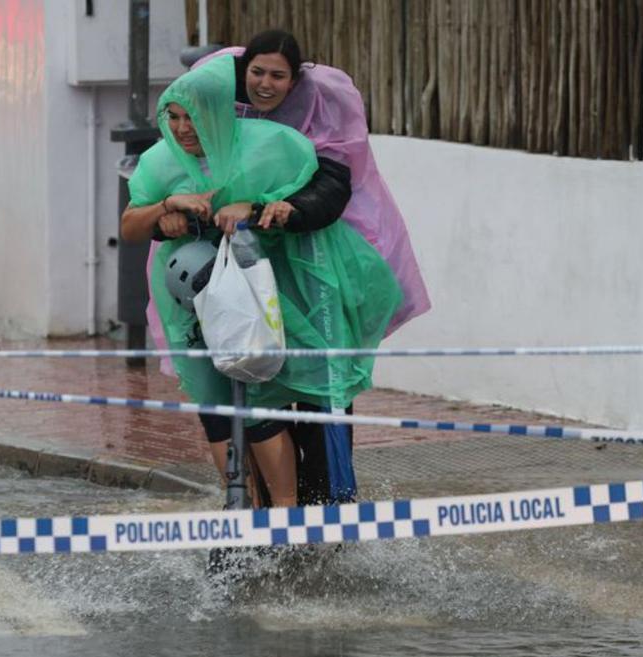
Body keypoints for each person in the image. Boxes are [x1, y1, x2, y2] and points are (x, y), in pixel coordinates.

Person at [120, 55, 402, 507]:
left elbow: (320, 189)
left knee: (274, 400)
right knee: (216, 406)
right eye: (173, 117)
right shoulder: (159, 162)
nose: (182, 128)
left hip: (277, 294)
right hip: (193, 302)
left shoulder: (277, 145)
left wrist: (255, 207)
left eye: (193, 116)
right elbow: (132, 224)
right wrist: (166, 210)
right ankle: (244, 514)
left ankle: (292, 518)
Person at [182, 30, 431, 507]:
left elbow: (334, 187)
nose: (265, 84)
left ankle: (327, 516)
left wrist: (286, 209)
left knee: (321, 394)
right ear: (243, 72)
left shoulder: (324, 111)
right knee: (254, 392)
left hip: (314, 279)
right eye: (257, 72)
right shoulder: (220, 114)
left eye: (278, 75)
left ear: (295, 80)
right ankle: (260, 514)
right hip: (245, 282)